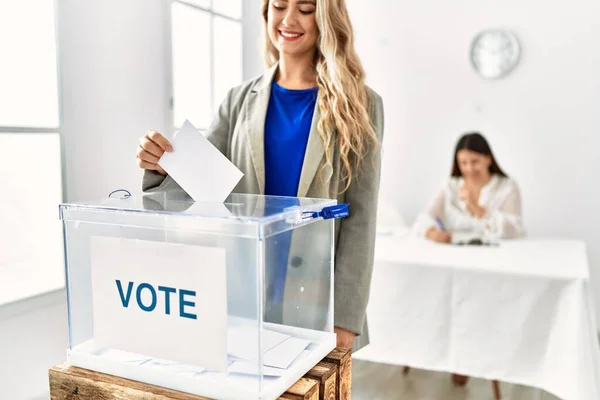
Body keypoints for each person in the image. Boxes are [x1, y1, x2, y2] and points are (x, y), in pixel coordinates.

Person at [135, 0, 384, 351]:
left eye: (306, 8)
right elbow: (196, 187)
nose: (289, 19)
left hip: (318, 300)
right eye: (279, 6)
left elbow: (361, 218)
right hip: (244, 292)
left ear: (327, 17)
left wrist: (344, 318)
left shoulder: (360, 104)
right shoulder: (237, 101)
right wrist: (161, 164)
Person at [413, 132, 525, 245]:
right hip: (454, 254)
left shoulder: (507, 187)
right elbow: (423, 219)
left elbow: (516, 229)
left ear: (488, 159)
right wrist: (432, 233)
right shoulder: (450, 186)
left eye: (475, 162)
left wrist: (476, 208)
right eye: (463, 163)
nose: (469, 168)